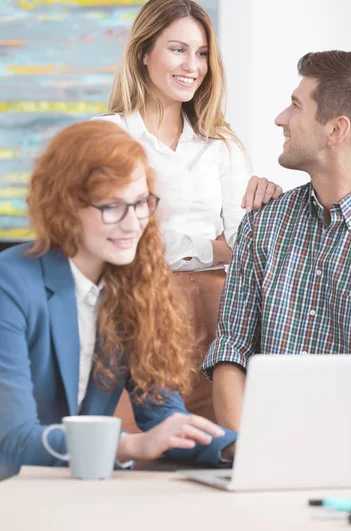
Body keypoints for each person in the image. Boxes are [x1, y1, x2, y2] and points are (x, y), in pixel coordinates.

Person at [0, 120, 237, 479]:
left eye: (141, 203)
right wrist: (129, 445)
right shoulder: (11, 282)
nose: (133, 224)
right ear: (64, 207)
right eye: (111, 206)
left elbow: (163, 415)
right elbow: (13, 439)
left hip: (76, 491)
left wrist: (235, 447)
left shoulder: (134, 283)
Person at [95, 0, 281, 428]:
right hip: (139, 311)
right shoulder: (107, 135)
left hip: (218, 316)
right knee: (140, 447)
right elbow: (117, 241)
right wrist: (210, 247)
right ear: (144, 52)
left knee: (220, 449)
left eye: (201, 54)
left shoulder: (224, 145)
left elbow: (241, 245)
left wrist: (194, 246)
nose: (192, 66)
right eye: (178, 49)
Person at [202, 50, 351, 433]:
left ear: (336, 130)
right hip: (255, 451)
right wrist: (249, 454)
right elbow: (232, 351)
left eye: (295, 106)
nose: (280, 118)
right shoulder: (265, 224)